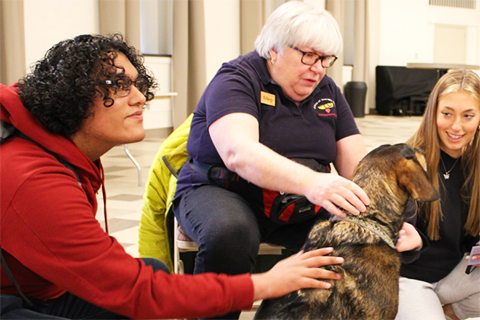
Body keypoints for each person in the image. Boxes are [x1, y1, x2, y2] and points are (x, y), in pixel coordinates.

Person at [0, 33, 347, 320]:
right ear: (71, 95)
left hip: (39, 286)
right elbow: (135, 291)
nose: (140, 99)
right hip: (14, 298)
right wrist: (266, 284)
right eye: (119, 86)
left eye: (137, 85)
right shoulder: (32, 178)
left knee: (153, 270)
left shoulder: (59, 150)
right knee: (205, 247)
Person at [172, 2, 375, 320]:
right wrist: (314, 182)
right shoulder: (236, 78)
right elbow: (239, 153)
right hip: (224, 190)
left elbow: (359, 167)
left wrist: (385, 215)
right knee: (231, 234)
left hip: (297, 202)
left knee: (353, 241)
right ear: (274, 49)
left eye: (325, 59)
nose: (318, 68)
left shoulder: (327, 90)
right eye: (308, 55)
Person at [395, 69, 480, 320]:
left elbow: (470, 237)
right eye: (447, 114)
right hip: (410, 278)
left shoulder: (474, 163)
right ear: (433, 113)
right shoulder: (406, 161)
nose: (456, 126)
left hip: (454, 275)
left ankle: (447, 312)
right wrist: (407, 237)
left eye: (468, 116)